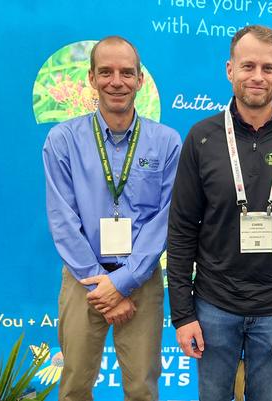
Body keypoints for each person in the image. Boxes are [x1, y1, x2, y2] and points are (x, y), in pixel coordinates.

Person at [166, 25, 272, 401]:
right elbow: (180, 231)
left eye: (268, 68)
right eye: (248, 66)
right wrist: (183, 314)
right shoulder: (202, 137)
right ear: (230, 69)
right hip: (213, 308)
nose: (258, 77)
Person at [43, 36, 181, 401]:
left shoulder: (166, 142)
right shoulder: (62, 140)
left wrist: (124, 281)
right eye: (106, 72)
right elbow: (62, 217)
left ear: (139, 80)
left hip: (142, 278)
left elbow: (164, 218)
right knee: (73, 386)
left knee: (142, 388)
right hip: (82, 279)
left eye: (126, 72)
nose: (115, 81)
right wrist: (102, 286)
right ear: (91, 77)